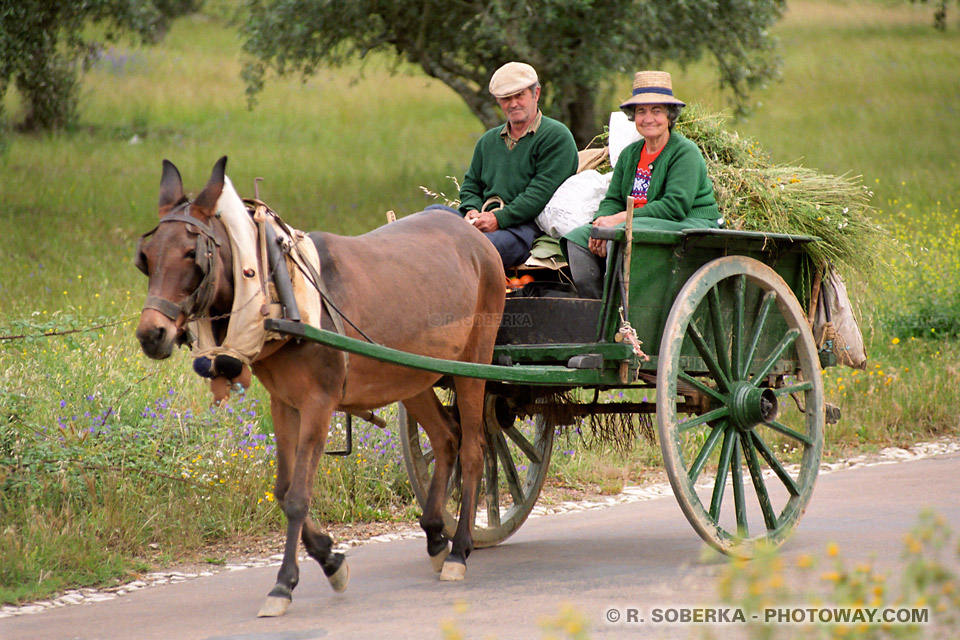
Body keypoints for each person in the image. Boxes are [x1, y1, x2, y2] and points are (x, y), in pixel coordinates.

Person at [563, 71, 721, 299]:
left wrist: (617, 220)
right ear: (633, 117)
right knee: (576, 237)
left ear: (669, 116)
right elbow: (613, 199)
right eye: (641, 112)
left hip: (688, 223)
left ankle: (617, 313)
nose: (648, 119)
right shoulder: (630, 155)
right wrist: (599, 224)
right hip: (638, 223)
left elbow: (674, 206)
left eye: (656, 111)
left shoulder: (685, 152)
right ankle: (595, 307)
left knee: (620, 233)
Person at [449, 62, 579, 268]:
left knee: (479, 249)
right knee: (431, 216)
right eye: (506, 98)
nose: (513, 104)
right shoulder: (489, 140)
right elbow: (470, 186)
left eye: (520, 96)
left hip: (523, 227)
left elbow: (538, 195)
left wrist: (498, 219)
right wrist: (471, 210)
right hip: (483, 218)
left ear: (536, 94)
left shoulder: (556, 137)